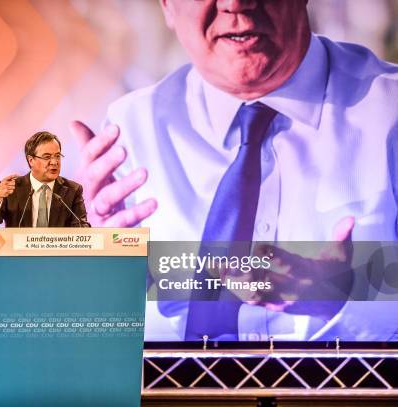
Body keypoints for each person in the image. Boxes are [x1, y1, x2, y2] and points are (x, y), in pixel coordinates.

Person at [71, 0, 398, 341]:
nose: (235, 4)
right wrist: (98, 269)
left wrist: (345, 301)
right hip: (173, 394)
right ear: (167, 6)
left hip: (347, 393)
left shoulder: (391, 113)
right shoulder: (129, 133)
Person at [0, 131, 90, 228]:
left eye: (57, 156)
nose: (54, 162)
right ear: (31, 160)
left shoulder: (72, 190)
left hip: (58, 251)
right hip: (19, 251)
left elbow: (82, 227)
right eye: (47, 157)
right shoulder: (12, 188)